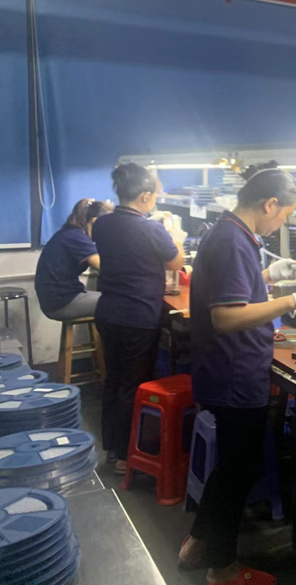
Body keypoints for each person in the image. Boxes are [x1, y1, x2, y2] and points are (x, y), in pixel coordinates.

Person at [178, 169, 296, 585]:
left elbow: (233, 289)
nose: (281, 224)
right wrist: (294, 298)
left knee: (232, 467)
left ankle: (198, 543)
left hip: (228, 369)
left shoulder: (230, 233)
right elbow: (226, 316)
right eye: (284, 216)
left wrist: (268, 278)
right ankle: (222, 568)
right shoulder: (232, 240)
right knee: (238, 471)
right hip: (234, 374)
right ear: (269, 204)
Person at [92, 163, 185, 473]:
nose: (155, 201)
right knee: (132, 385)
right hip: (137, 316)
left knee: (114, 380)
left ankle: (111, 447)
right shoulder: (151, 229)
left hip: (108, 312)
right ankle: (124, 456)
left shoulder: (102, 224)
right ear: (145, 196)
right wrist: (174, 235)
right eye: (155, 196)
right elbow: (176, 262)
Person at [35, 198, 113, 321]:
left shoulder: (71, 233)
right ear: (95, 221)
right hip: (61, 302)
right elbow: (104, 267)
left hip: (58, 298)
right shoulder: (77, 237)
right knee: (121, 303)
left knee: (115, 299)